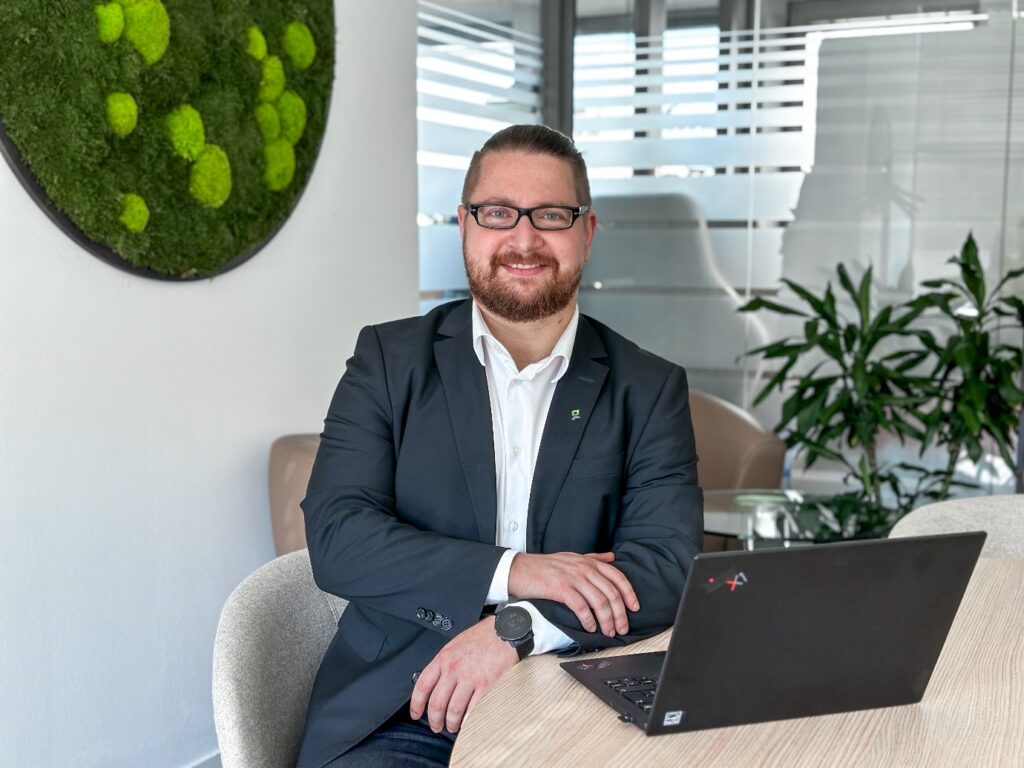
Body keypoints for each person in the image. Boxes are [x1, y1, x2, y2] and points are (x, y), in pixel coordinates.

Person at [297, 124, 703, 768]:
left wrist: (517, 629)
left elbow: (665, 569)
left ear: (587, 233)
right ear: (465, 225)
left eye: (551, 215)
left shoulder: (649, 388)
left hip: (578, 699)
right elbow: (340, 537)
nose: (524, 238)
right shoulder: (388, 361)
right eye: (497, 213)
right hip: (406, 707)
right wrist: (517, 571)